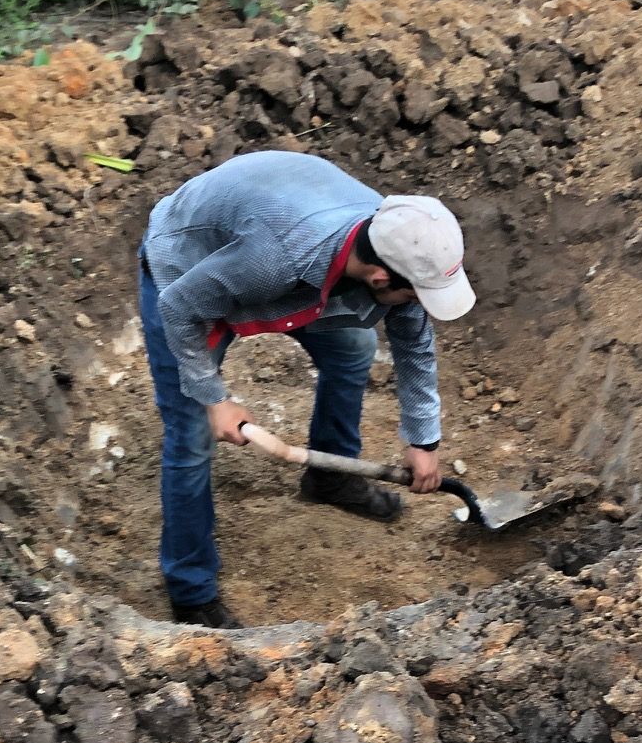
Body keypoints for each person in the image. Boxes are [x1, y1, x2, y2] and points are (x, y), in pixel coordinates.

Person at [140, 151, 474, 627]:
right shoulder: (275, 258)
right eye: (414, 295)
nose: (417, 307)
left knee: (353, 349)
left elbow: (415, 345)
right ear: (381, 278)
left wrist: (423, 440)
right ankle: (191, 592)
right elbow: (178, 307)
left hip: (280, 256)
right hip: (188, 268)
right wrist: (213, 397)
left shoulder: (398, 240)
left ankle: (329, 477)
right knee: (191, 434)